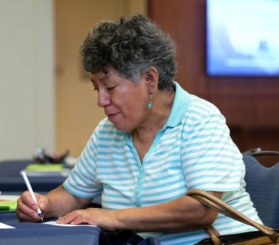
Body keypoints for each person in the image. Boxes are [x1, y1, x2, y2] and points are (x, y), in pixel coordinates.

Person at [17, 14, 261, 244]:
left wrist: (112, 216)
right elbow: (73, 196)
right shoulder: (106, 133)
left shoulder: (200, 120)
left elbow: (201, 210)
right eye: (96, 88)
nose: (100, 101)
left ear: (150, 80)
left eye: (110, 87)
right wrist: (44, 203)